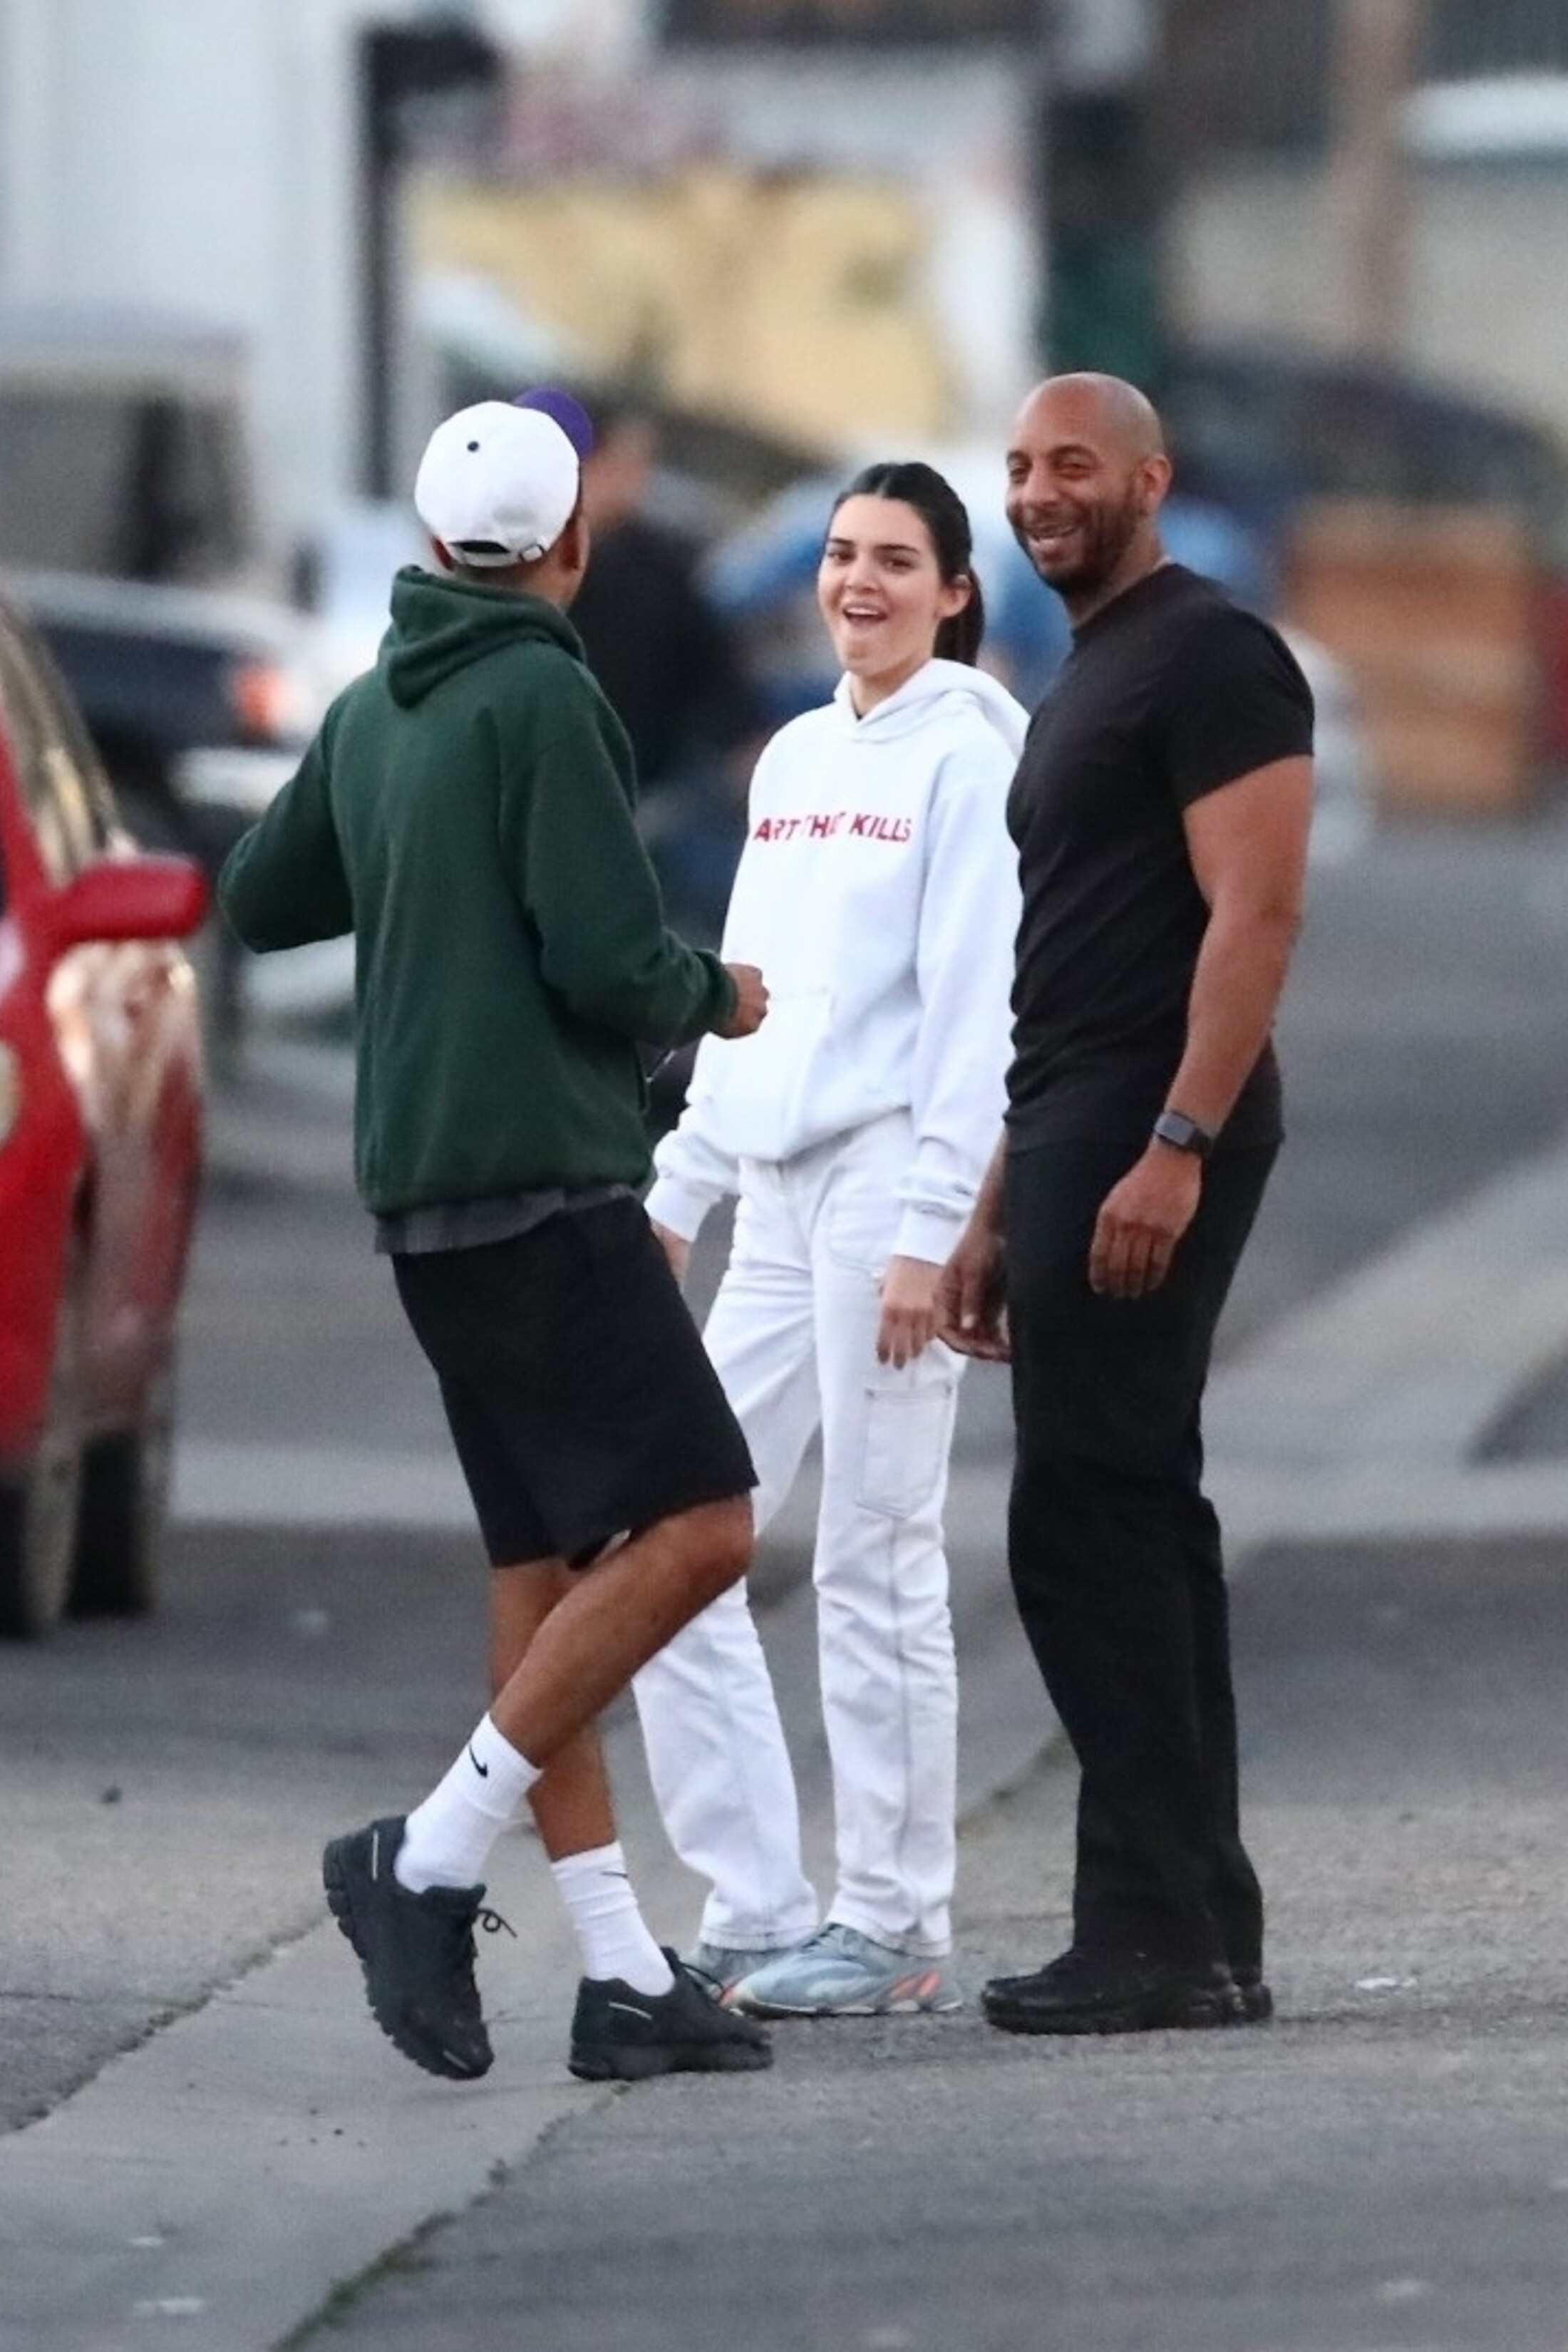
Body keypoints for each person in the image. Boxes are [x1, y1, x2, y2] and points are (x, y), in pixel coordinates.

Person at [218, 391, 775, 2087]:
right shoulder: (545, 692)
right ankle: (428, 1855)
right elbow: (607, 960)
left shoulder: (375, 702)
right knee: (703, 1524)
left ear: (425, 541)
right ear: (570, 546)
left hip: (425, 1208)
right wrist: (717, 993)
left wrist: (412, 853)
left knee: (541, 1572)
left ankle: (619, 1969)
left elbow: (262, 897)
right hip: (547, 1182)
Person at [939, 373, 1314, 2037]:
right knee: (1134, 1514)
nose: (1038, 492)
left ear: (1148, 481)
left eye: (1071, 464)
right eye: (1020, 466)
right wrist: (992, 1202)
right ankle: (1195, 1923)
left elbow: (1256, 914)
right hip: (1072, 1115)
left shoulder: (1211, 655)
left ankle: (1152, 1929)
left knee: (1085, 1522)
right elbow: (1064, 956)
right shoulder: (1090, 666)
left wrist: (1175, 1139)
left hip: (1150, 1116)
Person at [633, 460, 1026, 2016]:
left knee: (873, 1553)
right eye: (843, 554)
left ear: (953, 593)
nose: (859, 582)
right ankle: (753, 1902)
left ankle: (892, 1919)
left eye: (896, 561)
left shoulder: (973, 758)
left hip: (886, 1189)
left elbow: (978, 1019)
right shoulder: (796, 754)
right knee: (669, 1535)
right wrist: (679, 1189)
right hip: (775, 1194)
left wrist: (934, 1232)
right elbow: (750, 989)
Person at [567, 398, 760, 942]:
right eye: (627, 462)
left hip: (663, 787)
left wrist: (741, 742)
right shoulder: (548, 563)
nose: (639, 478)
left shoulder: (657, 561)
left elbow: (711, 661)